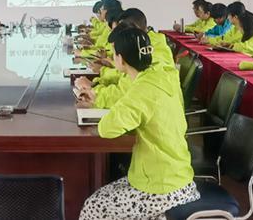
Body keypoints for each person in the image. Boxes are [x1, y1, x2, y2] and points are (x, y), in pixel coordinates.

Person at [79, 27, 199, 219]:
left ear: (121, 59)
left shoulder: (141, 89)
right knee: (104, 194)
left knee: (93, 207)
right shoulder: (163, 75)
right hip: (178, 175)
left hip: (161, 187)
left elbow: (106, 128)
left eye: (114, 54)